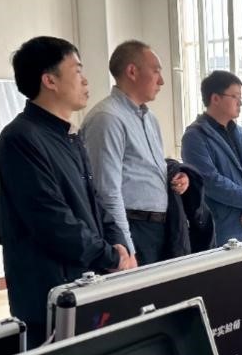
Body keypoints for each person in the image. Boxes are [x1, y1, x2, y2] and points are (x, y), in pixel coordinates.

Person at [0, 36, 135, 347]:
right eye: (77, 70)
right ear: (50, 81)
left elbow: (94, 203)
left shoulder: (70, 135)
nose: (86, 80)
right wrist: (108, 255)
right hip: (50, 289)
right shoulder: (20, 138)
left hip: (86, 279)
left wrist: (119, 244)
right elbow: (51, 219)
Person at [81, 40, 196, 266]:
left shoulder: (149, 118)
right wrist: (126, 246)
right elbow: (107, 190)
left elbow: (147, 168)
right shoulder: (108, 118)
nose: (161, 81)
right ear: (132, 71)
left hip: (160, 227)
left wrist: (175, 178)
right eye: (156, 71)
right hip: (133, 228)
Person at [181, 70, 242, 245]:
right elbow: (211, 182)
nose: (240, 102)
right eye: (235, 96)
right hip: (222, 231)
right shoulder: (195, 137)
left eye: (241, 98)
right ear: (215, 98)